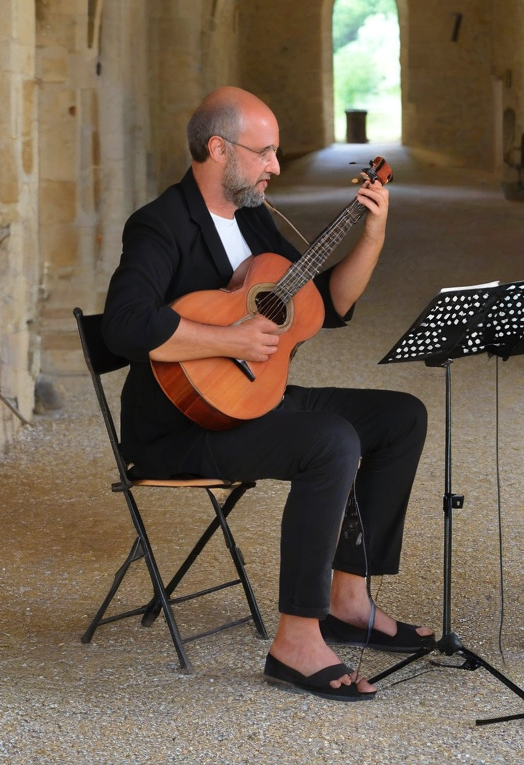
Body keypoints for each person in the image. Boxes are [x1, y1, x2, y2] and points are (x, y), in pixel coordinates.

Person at [103, 86, 433, 701]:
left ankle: (348, 601)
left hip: (253, 401)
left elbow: (325, 304)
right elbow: (124, 324)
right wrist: (226, 337)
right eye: (265, 152)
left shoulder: (254, 218)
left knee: (400, 417)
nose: (276, 167)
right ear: (218, 149)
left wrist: (373, 234)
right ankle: (296, 642)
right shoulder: (161, 224)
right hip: (182, 428)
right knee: (329, 441)